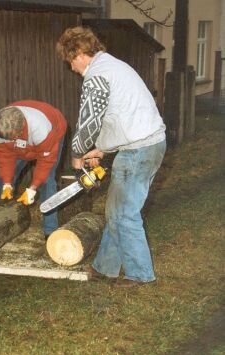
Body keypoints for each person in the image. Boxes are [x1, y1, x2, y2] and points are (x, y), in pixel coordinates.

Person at [56, 26, 166, 287]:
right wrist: (102, 149)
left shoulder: (97, 75)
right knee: (117, 210)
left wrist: (77, 154)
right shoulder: (113, 66)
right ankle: (105, 267)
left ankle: (140, 275)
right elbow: (120, 115)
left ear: (79, 53)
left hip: (139, 150)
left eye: (70, 61)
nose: (71, 68)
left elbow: (89, 122)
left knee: (125, 213)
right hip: (143, 145)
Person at [0, 100, 67, 236]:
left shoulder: (42, 128)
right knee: (4, 177)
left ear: (21, 129)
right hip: (24, 143)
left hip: (51, 134)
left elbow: (45, 163)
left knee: (47, 181)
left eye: (11, 138)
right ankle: (0, 220)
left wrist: (32, 189)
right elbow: (3, 157)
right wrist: (7, 183)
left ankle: (50, 230)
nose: (9, 141)